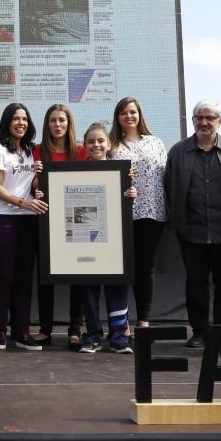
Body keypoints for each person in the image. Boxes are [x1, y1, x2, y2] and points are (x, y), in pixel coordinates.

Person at [164, 100, 221, 350]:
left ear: (219, 121)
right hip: (191, 230)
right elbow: (169, 187)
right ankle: (199, 331)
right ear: (192, 121)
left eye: (209, 118)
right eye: (199, 117)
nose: (204, 122)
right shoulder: (178, 152)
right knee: (195, 283)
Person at [0, 102, 48, 351]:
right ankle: (0, 331)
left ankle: (21, 331)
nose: (20, 123)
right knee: (4, 276)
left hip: (27, 219)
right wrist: (24, 202)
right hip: (2, 219)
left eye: (24, 119)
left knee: (24, 278)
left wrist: (37, 187)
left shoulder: (30, 152)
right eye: (15, 119)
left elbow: (27, 184)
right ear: (7, 122)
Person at [75, 123, 137, 354]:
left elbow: (124, 206)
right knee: (89, 291)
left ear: (109, 143)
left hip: (115, 241)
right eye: (90, 141)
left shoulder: (122, 172)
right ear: (84, 144)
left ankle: (119, 337)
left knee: (117, 289)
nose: (96, 145)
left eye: (100, 141)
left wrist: (131, 194)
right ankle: (92, 336)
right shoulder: (74, 173)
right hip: (86, 240)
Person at [109, 97, 168, 332]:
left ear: (139, 114)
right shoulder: (112, 146)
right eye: (123, 113)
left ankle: (143, 319)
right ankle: (121, 323)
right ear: (117, 117)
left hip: (152, 214)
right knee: (122, 269)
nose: (129, 116)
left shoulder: (155, 143)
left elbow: (165, 177)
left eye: (132, 112)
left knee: (145, 269)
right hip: (121, 215)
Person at [31, 103, 88, 345]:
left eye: (62, 120)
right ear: (47, 125)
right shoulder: (36, 151)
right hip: (45, 220)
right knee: (46, 277)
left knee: (78, 276)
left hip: (76, 221)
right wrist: (35, 183)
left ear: (69, 123)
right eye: (53, 120)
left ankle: (75, 329)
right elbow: (31, 186)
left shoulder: (82, 152)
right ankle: (45, 329)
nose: (57, 125)